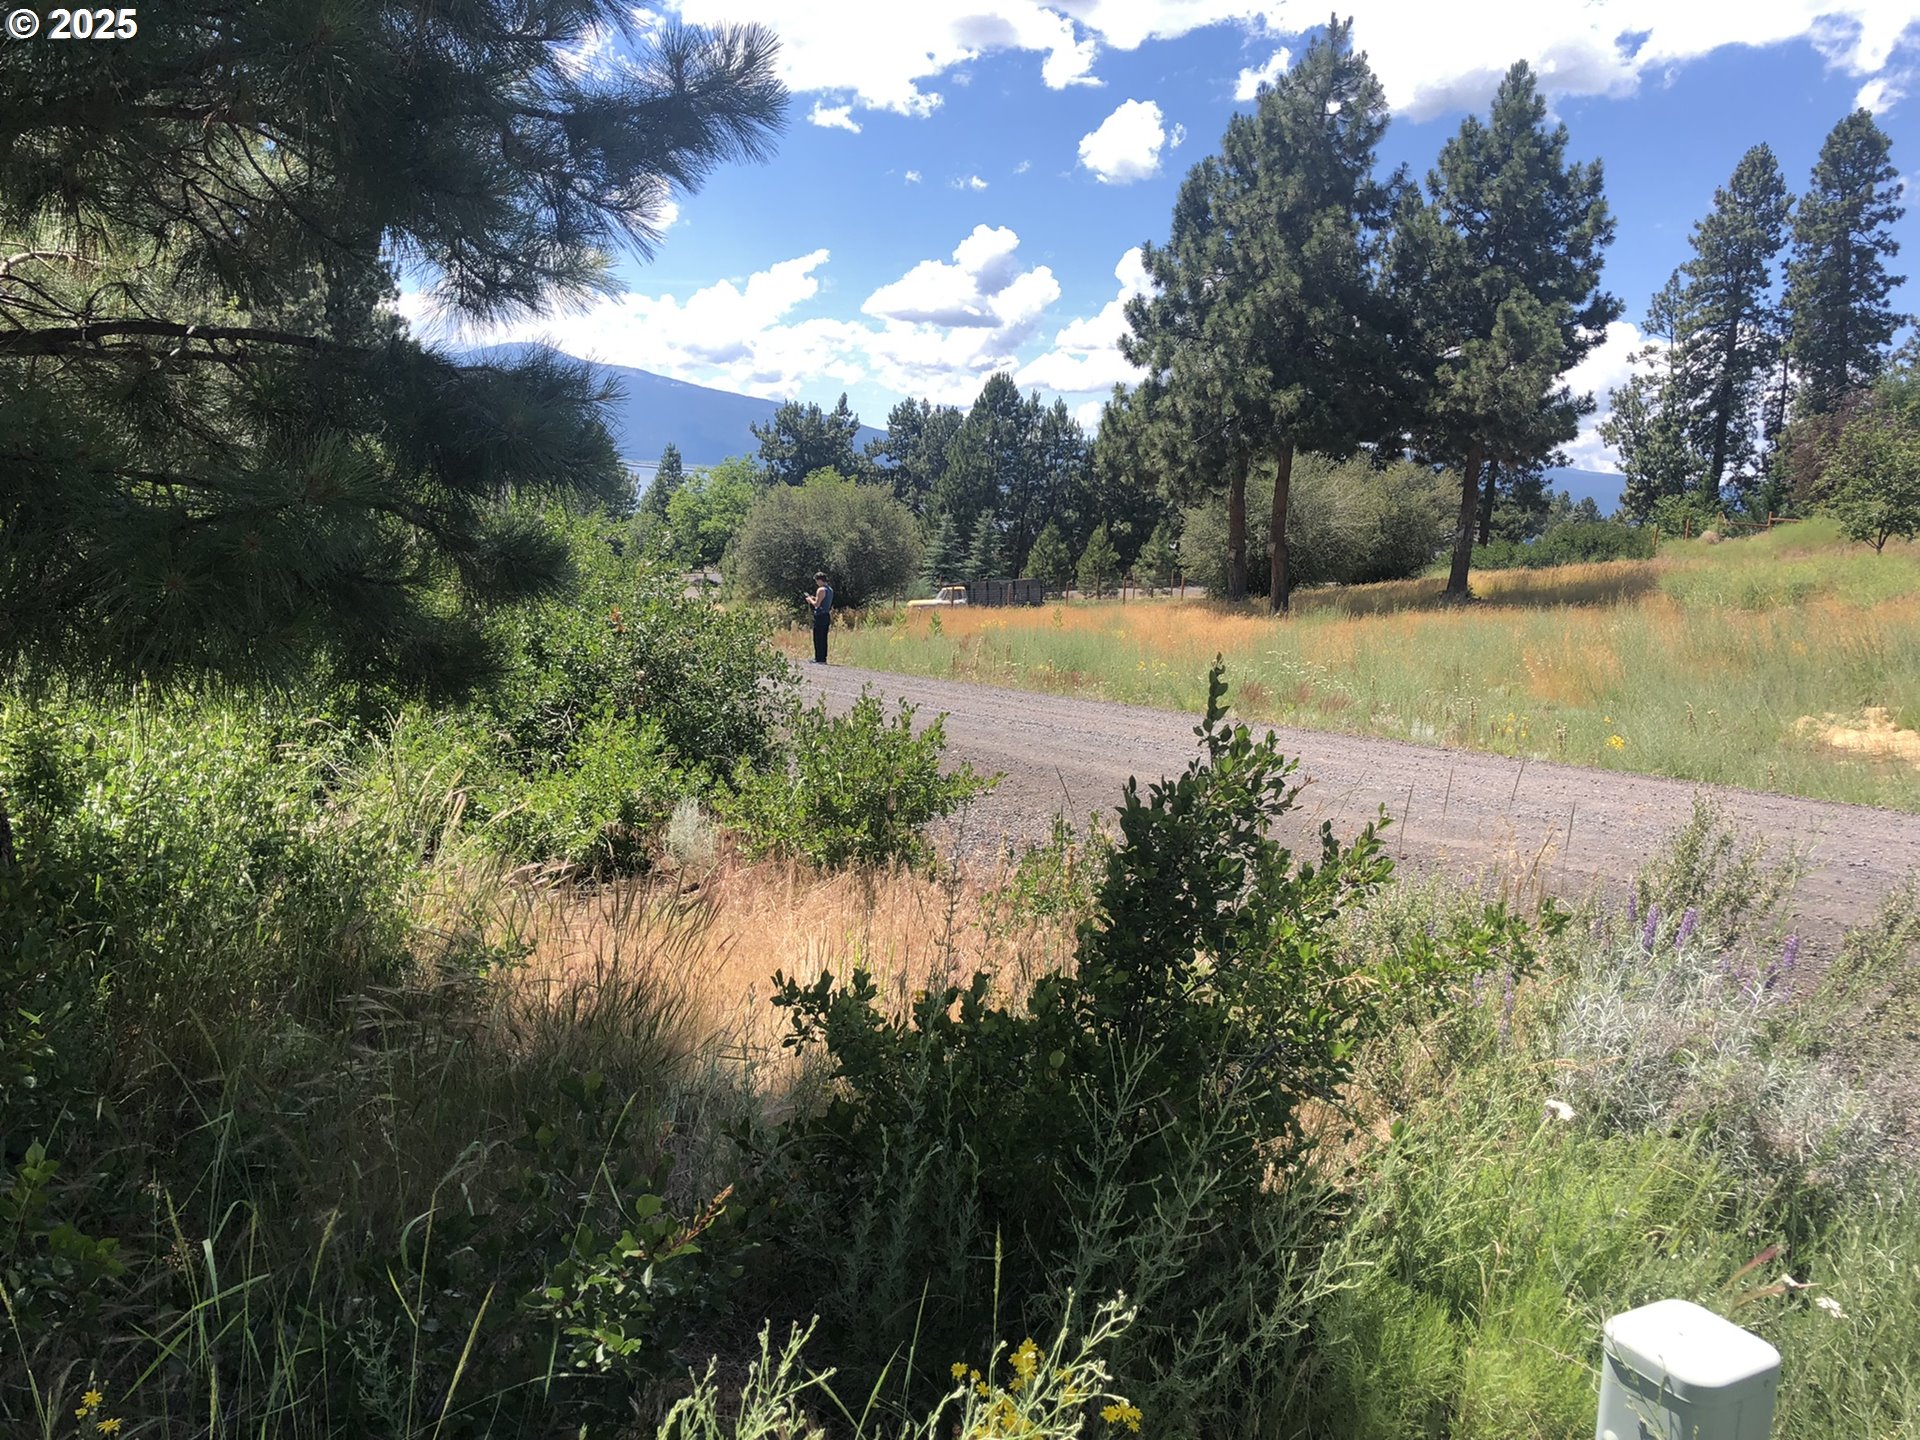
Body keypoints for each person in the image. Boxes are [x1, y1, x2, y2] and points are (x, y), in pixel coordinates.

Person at [801, 571, 834, 664]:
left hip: (820, 615)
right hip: (826, 615)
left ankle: (818, 658)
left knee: (817, 637)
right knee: (824, 637)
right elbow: (823, 601)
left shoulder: (821, 590)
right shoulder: (830, 589)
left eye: (816, 581)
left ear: (819, 580)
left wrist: (810, 599)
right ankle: (823, 658)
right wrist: (815, 598)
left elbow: (816, 604)